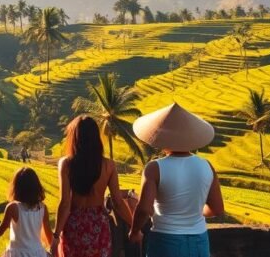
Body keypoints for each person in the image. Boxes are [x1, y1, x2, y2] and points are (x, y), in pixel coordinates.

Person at [127, 103, 224, 257]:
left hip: (165, 241)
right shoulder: (207, 166)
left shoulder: (154, 168)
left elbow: (144, 209)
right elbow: (217, 209)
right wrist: (192, 213)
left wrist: (134, 231)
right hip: (199, 242)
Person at [54, 116, 134, 257]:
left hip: (74, 225)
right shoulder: (108, 165)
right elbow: (118, 202)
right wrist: (135, 227)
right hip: (98, 225)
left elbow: (65, 204)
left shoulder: (66, 164)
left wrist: (55, 235)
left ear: (75, 138)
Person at [0, 167, 54, 257]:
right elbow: (48, 233)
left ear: (16, 187)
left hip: (17, 253)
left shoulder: (13, 207)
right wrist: (53, 250)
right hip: (37, 252)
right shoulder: (42, 208)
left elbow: (1, 229)